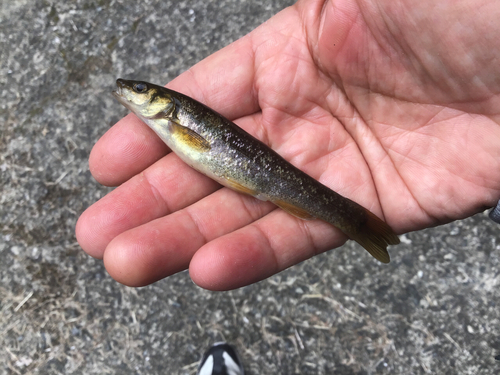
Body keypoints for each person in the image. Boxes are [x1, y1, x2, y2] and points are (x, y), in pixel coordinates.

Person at [76, 0, 500, 291]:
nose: (129, 92)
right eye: (136, 89)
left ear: (162, 103)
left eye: (138, 90)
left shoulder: (173, 117)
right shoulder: (169, 119)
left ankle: (356, 221)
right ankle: (357, 223)